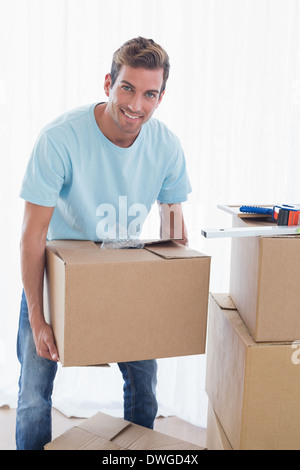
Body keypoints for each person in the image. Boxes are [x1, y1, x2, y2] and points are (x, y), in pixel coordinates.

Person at [16, 37, 191, 450]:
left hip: (124, 278)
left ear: (161, 97)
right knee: (32, 395)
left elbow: (172, 228)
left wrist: (171, 292)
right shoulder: (59, 138)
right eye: (127, 88)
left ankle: (137, 454)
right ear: (108, 83)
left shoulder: (165, 146)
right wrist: (39, 318)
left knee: (144, 386)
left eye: (149, 94)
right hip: (55, 280)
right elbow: (32, 235)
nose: (136, 105)